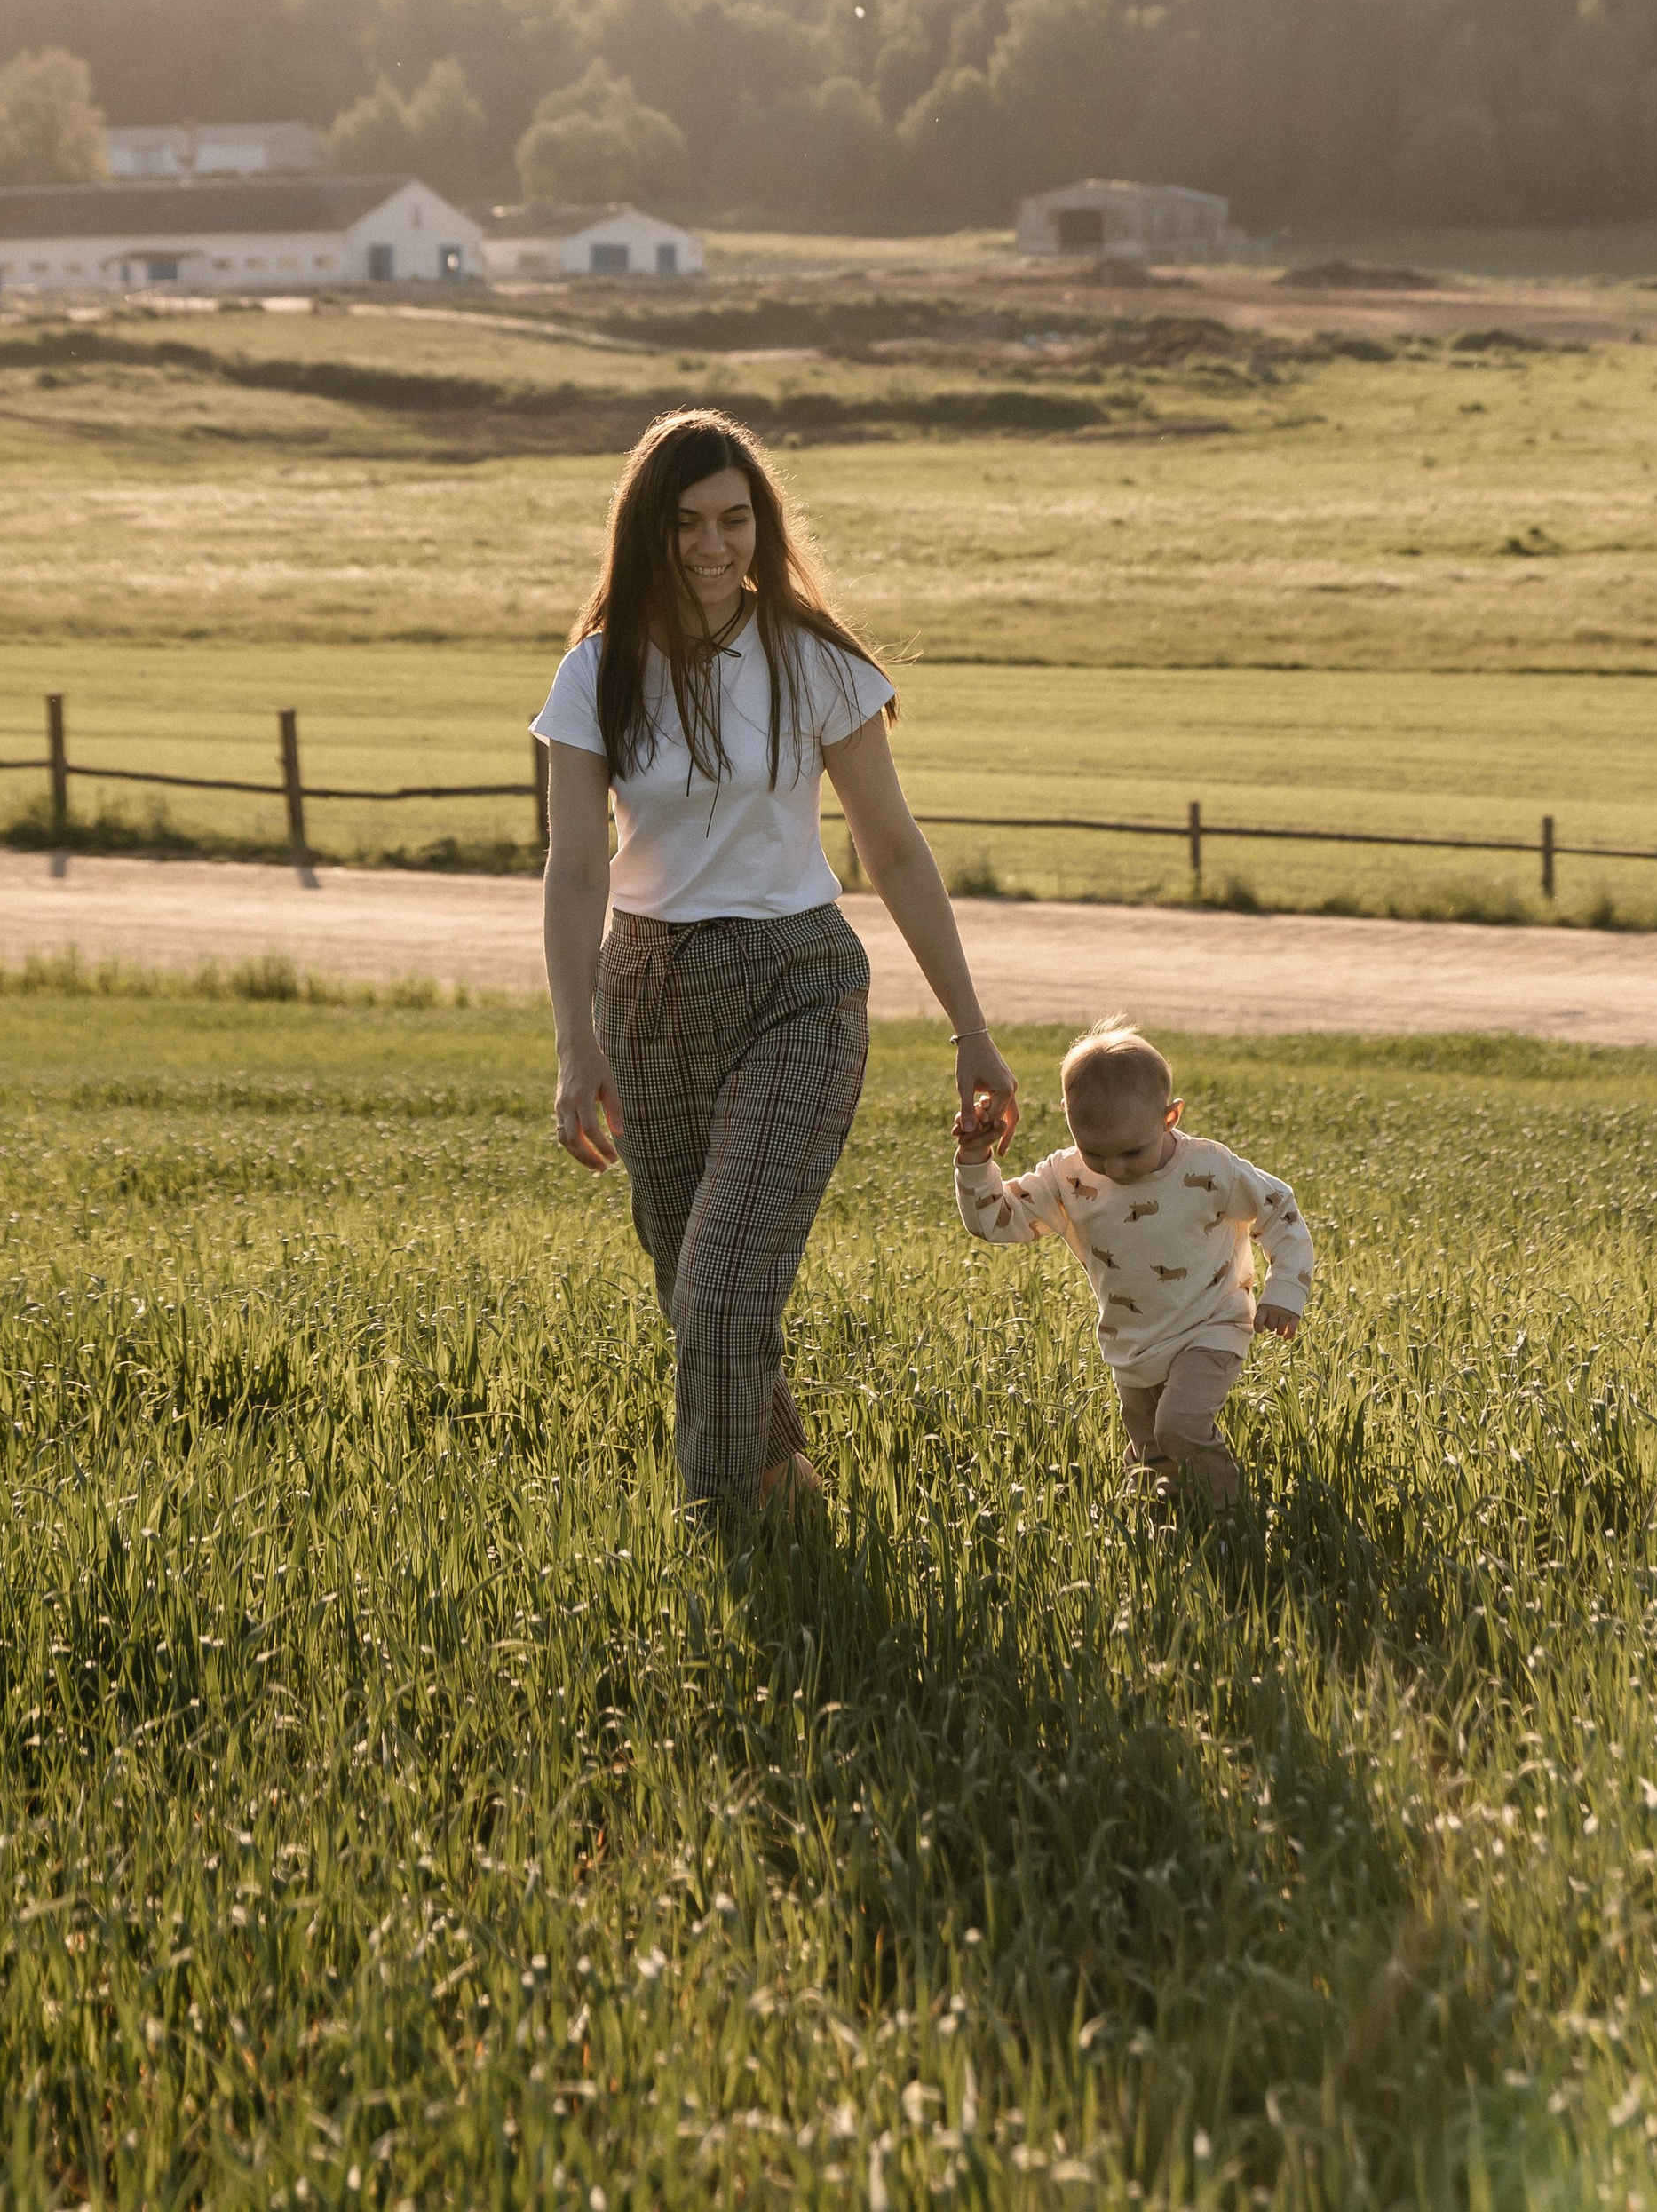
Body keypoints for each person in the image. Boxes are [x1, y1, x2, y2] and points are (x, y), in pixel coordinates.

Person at [538, 408, 1020, 1511]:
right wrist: (577, 1042)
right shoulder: (595, 674)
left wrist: (972, 1030)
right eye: (688, 524)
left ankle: (718, 1534)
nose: (714, 547)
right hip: (644, 990)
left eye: (736, 521)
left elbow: (892, 850)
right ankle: (794, 1511)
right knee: (693, 1289)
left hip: (795, 984)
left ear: (764, 526)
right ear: (647, 533)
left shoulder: (812, 662)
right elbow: (574, 870)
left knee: (718, 1294)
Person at [954, 1015, 1313, 1510]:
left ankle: (1232, 1518)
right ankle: (1160, 1527)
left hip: (1211, 1324)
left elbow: (1282, 1211)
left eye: (1130, 1151)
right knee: (1150, 1453)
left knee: (1180, 1426)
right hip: (1131, 1341)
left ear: (1170, 1117)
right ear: (1069, 1119)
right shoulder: (1066, 1177)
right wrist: (975, 1162)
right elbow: (995, 1223)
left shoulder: (1208, 1169)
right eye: (1095, 1152)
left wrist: (1284, 1293)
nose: (1115, 1169)